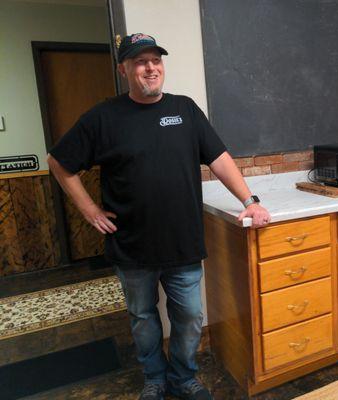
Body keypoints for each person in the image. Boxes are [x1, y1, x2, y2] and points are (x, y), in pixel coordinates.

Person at [47, 33, 271, 400]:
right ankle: (154, 378)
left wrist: (251, 199)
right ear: (124, 70)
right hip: (131, 246)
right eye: (140, 62)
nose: (150, 68)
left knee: (190, 318)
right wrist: (88, 209)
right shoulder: (103, 117)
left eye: (156, 61)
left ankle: (183, 377)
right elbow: (59, 161)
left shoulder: (185, 110)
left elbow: (219, 158)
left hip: (182, 242)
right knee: (143, 319)